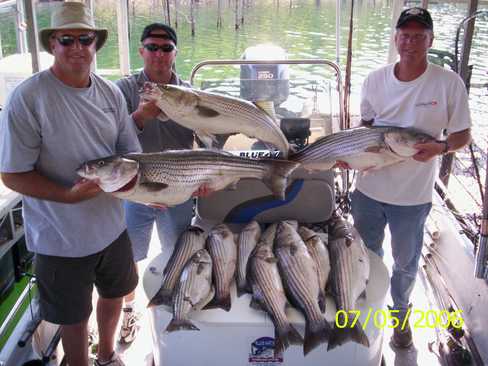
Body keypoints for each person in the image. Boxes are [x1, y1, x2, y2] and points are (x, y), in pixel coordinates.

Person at [0, 3, 141, 366]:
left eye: (85, 39)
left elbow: (131, 154)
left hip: (111, 228)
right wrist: (67, 195)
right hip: (59, 238)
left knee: (115, 294)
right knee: (73, 317)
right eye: (67, 40)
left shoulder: (111, 93)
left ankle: (108, 354)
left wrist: (133, 185)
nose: (77, 47)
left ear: (96, 43)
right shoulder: (28, 99)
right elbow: (12, 174)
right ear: (52, 44)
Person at [350, 7, 471, 348]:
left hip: (412, 197)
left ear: (431, 40)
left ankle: (400, 317)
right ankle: (365, 313)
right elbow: (367, 130)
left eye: (419, 36)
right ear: (396, 38)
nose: (411, 42)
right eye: (405, 35)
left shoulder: (448, 83)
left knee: (405, 263)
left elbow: (463, 135)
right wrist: (352, 157)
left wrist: (440, 147)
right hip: (368, 190)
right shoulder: (374, 80)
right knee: (367, 254)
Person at [115, 23, 202, 344]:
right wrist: (141, 115)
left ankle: (176, 304)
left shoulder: (190, 93)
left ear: (175, 54)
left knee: (176, 249)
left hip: (179, 187)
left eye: (166, 49)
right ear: (141, 51)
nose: (159, 54)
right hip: (134, 188)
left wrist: (206, 178)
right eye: (152, 47)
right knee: (128, 255)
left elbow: (207, 139)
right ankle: (128, 309)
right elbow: (109, 138)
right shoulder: (123, 90)